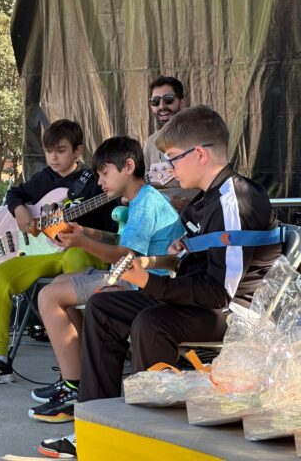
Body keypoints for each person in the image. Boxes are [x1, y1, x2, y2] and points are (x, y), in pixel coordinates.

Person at [40, 106, 281, 459]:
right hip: (199, 301)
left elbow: (221, 294)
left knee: (151, 322)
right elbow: (193, 262)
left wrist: (149, 282)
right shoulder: (203, 200)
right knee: (105, 305)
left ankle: (147, 437)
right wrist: (176, 254)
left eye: (173, 158)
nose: (169, 168)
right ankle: (95, 423)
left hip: (235, 314)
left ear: (199, 154)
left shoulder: (235, 200)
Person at [30, 136, 184, 423]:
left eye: (104, 173)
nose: (100, 181)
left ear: (128, 166)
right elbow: (122, 242)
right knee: (58, 284)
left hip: (144, 284)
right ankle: (77, 376)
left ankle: (73, 385)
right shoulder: (141, 200)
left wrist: (81, 243)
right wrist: (84, 233)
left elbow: (126, 256)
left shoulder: (147, 201)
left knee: (49, 296)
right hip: (135, 276)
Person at [0, 120, 119, 386]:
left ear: (78, 151)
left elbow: (111, 230)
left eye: (61, 150)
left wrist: (86, 231)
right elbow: (15, 194)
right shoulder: (44, 178)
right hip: (44, 253)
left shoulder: (95, 183)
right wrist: (21, 210)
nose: (53, 157)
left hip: (81, 250)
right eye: (49, 151)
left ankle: (80, 358)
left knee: (75, 259)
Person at [143, 76, 198, 209]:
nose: (162, 106)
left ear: (182, 103)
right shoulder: (151, 142)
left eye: (168, 100)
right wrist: (164, 201)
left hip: (194, 214)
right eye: (155, 101)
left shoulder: (198, 136)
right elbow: (143, 184)